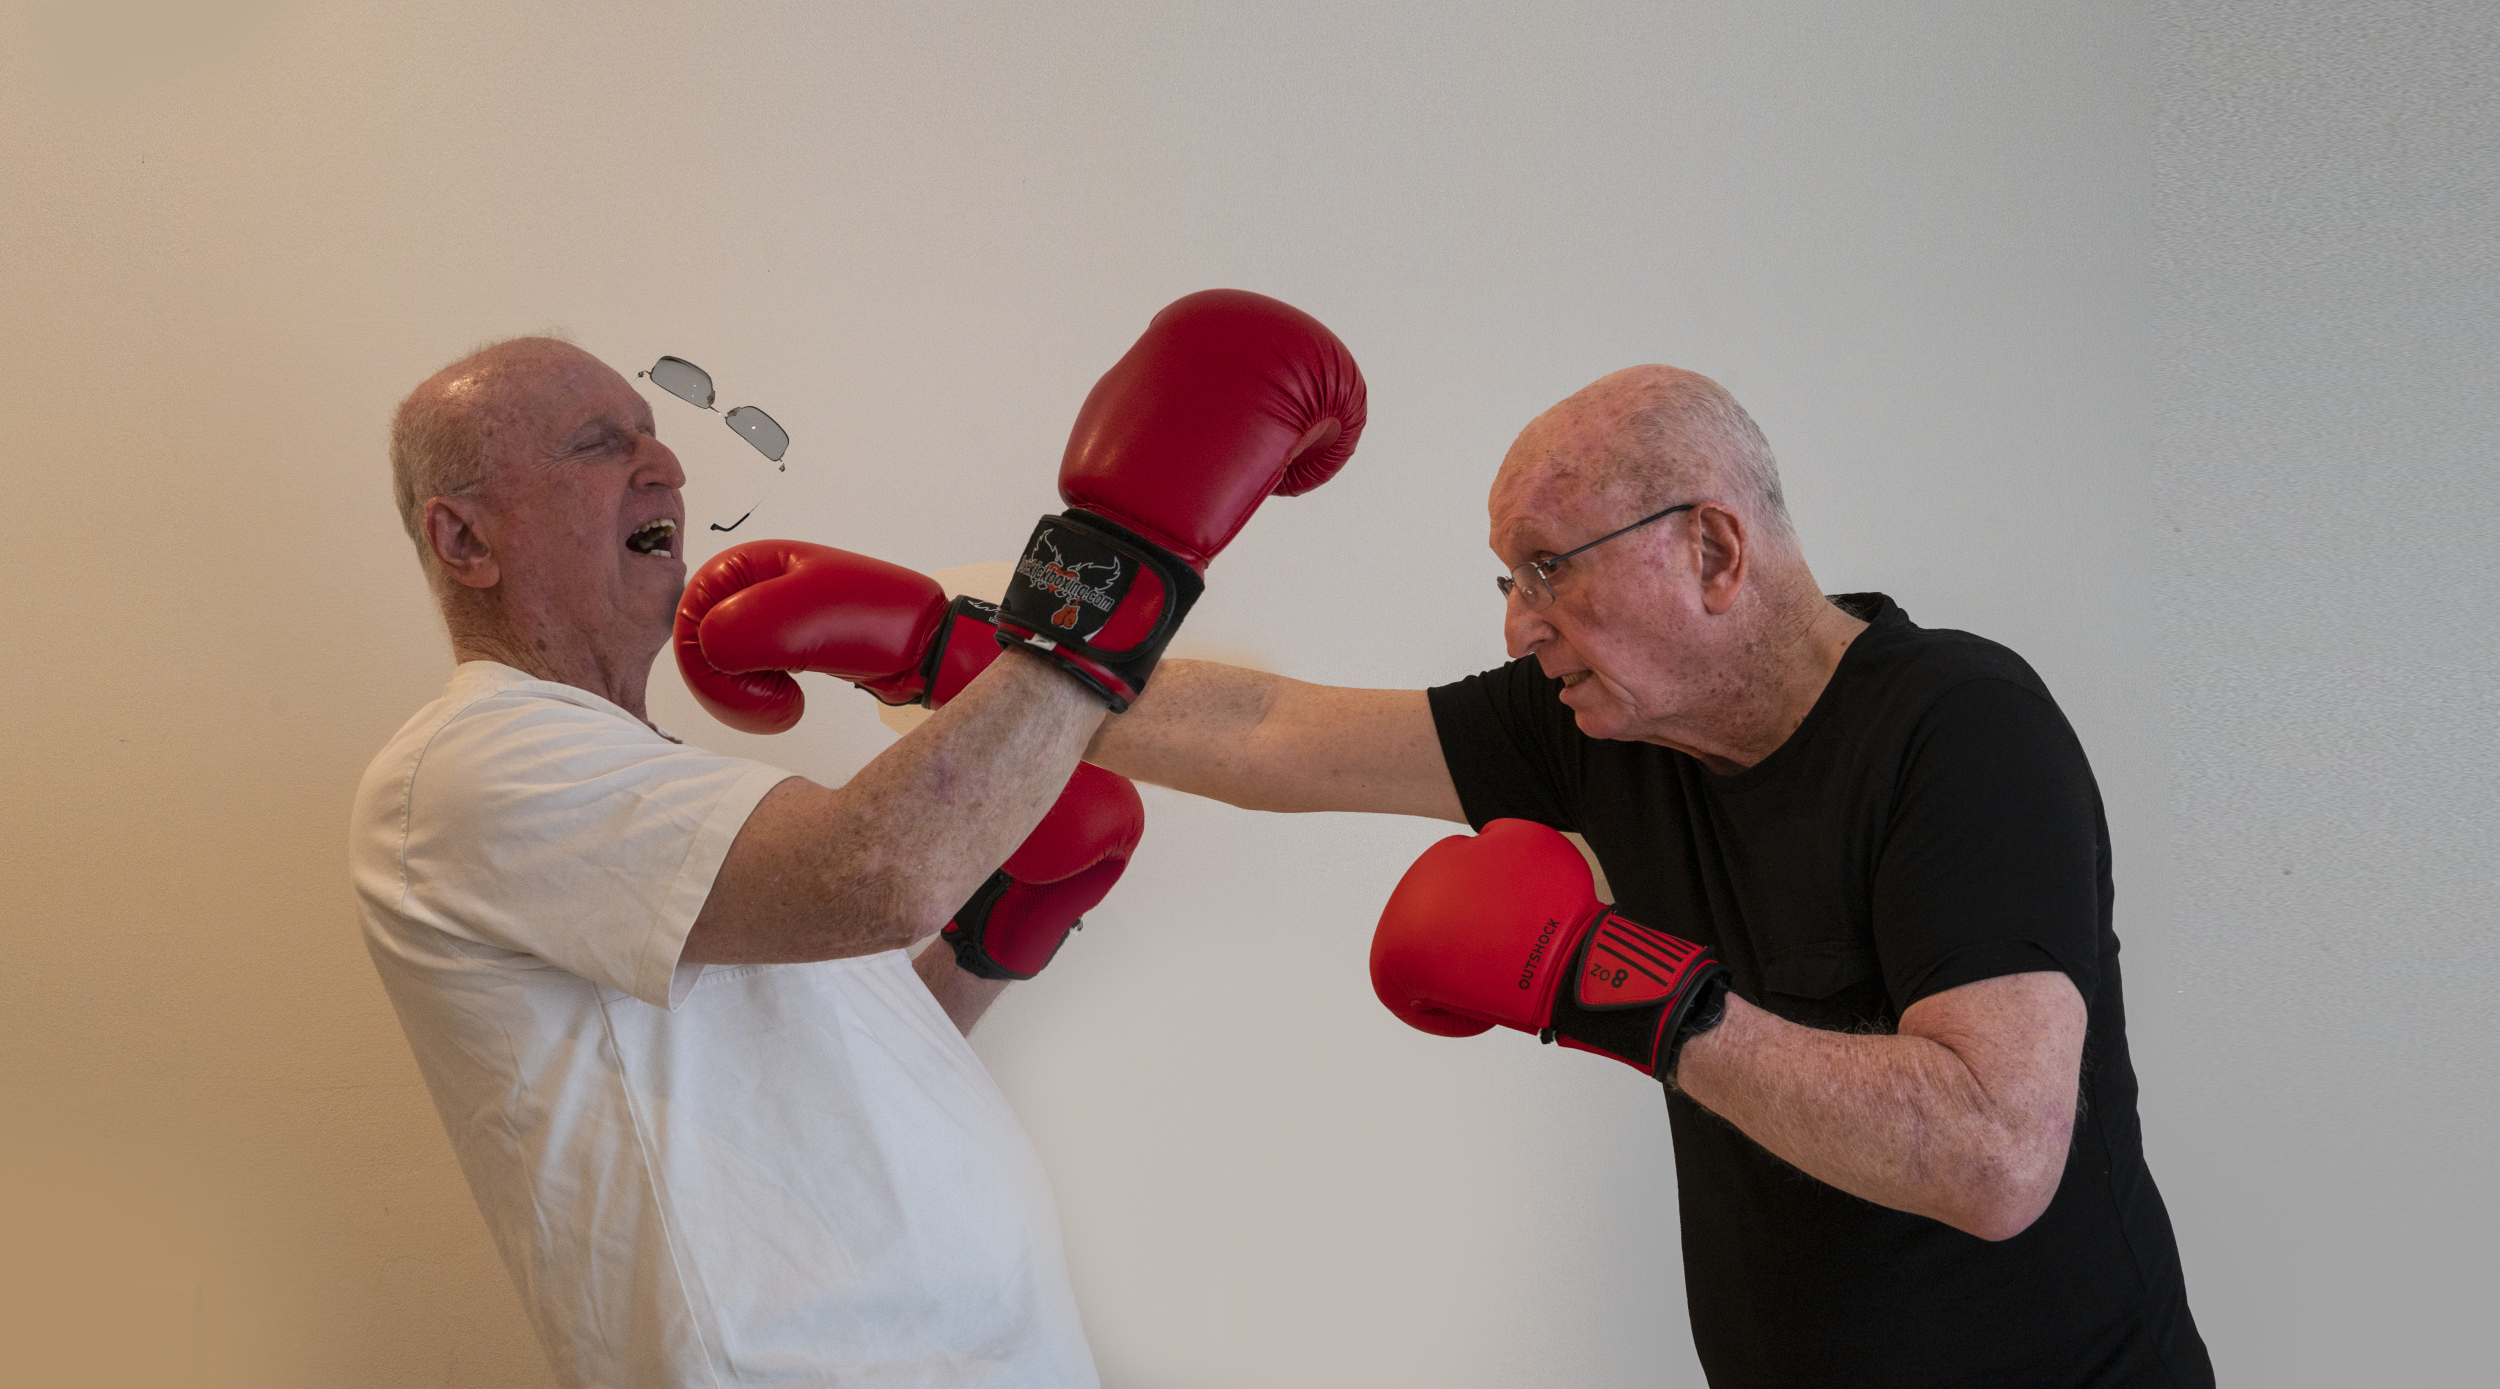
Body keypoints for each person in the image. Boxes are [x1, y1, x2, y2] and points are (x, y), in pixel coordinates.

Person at [1090, 365, 2212, 1389]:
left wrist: (1630, 992)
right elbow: (1271, 732)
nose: (1517, 626)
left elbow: (1996, 1155)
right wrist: (1032, 640)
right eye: (1509, 578)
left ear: (1712, 551)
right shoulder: (1597, 723)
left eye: (1548, 567)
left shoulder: (1962, 729)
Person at [350, 293, 1364, 1389]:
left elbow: (840, 1049)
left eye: (655, 434)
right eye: (600, 444)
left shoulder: (639, 783)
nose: (668, 467)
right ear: (466, 538)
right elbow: (877, 874)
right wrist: (1118, 558)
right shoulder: (472, 760)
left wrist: (992, 939)